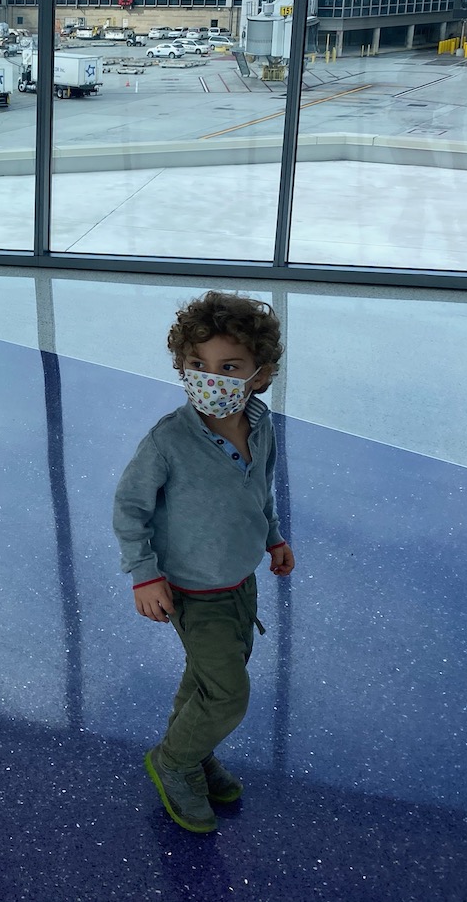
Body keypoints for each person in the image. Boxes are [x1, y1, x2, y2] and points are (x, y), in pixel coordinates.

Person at [112, 290, 294, 833]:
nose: (209, 377)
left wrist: (274, 538)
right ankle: (174, 762)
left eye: (229, 367)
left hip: (240, 582)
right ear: (182, 366)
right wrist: (144, 575)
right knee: (229, 693)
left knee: (209, 677)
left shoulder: (261, 428)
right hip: (193, 590)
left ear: (260, 375)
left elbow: (260, 491)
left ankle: (194, 747)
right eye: (197, 365)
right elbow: (129, 508)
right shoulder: (169, 440)